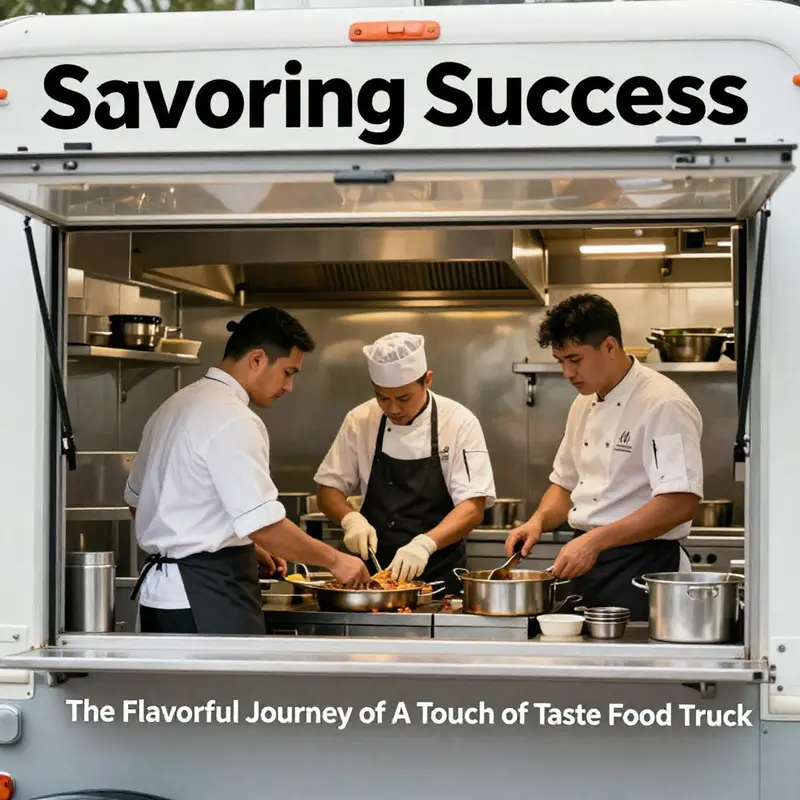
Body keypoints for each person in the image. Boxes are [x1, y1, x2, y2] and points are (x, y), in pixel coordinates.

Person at [124, 307, 369, 636]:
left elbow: (138, 503)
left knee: (171, 690)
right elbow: (266, 526)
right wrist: (337, 561)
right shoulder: (234, 419)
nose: (290, 386)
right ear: (257, 359)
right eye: (288, 372)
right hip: (207, 598)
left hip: (159, 600)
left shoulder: (172, 407)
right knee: (227, 691)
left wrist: (239, 543)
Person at [505, 294, 703, 620]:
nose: (567, 372)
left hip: (645, 568)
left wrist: (595, 541)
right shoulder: (583, 403)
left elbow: (680, 501)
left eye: (575, 359)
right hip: (587, 563)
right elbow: (565, 484)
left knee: (632, 669)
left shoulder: (663, 403)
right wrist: (537, 522)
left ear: (609, 347)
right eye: (560, 361)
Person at [314, 332, 496, 596]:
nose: (393, 409)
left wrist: (425, 544)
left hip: (438, 578)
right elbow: (328, 489)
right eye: (382, 398)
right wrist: (350, 519)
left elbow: (473, 506)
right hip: (369, 579)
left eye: (404, 398)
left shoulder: (458, 422)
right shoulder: (360, 419)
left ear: (428, 380)